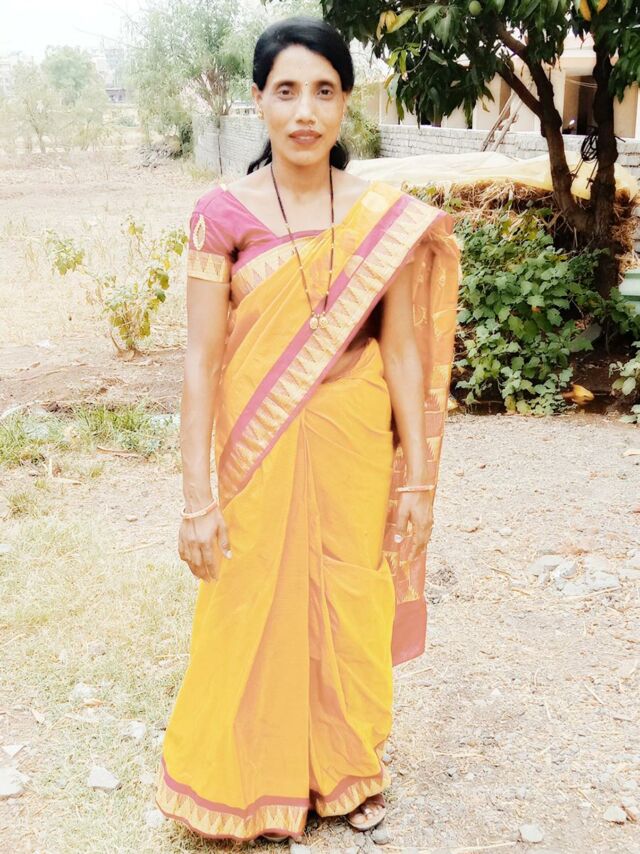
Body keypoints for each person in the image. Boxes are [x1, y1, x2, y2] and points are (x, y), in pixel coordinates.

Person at [154, 15, 460, 844]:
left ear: (346, 103)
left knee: (349, 597)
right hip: (257, 450)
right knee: (249, 603)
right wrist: (196, 499)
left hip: (353, 442)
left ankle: (348, 769)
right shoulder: (221, 214)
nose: (304, 111)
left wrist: (420, 478)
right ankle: (248, 780)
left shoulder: (382, 216)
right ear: (257, 100)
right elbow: (201, 362)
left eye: (324, 91)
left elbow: (401, 352)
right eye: (286, 91)